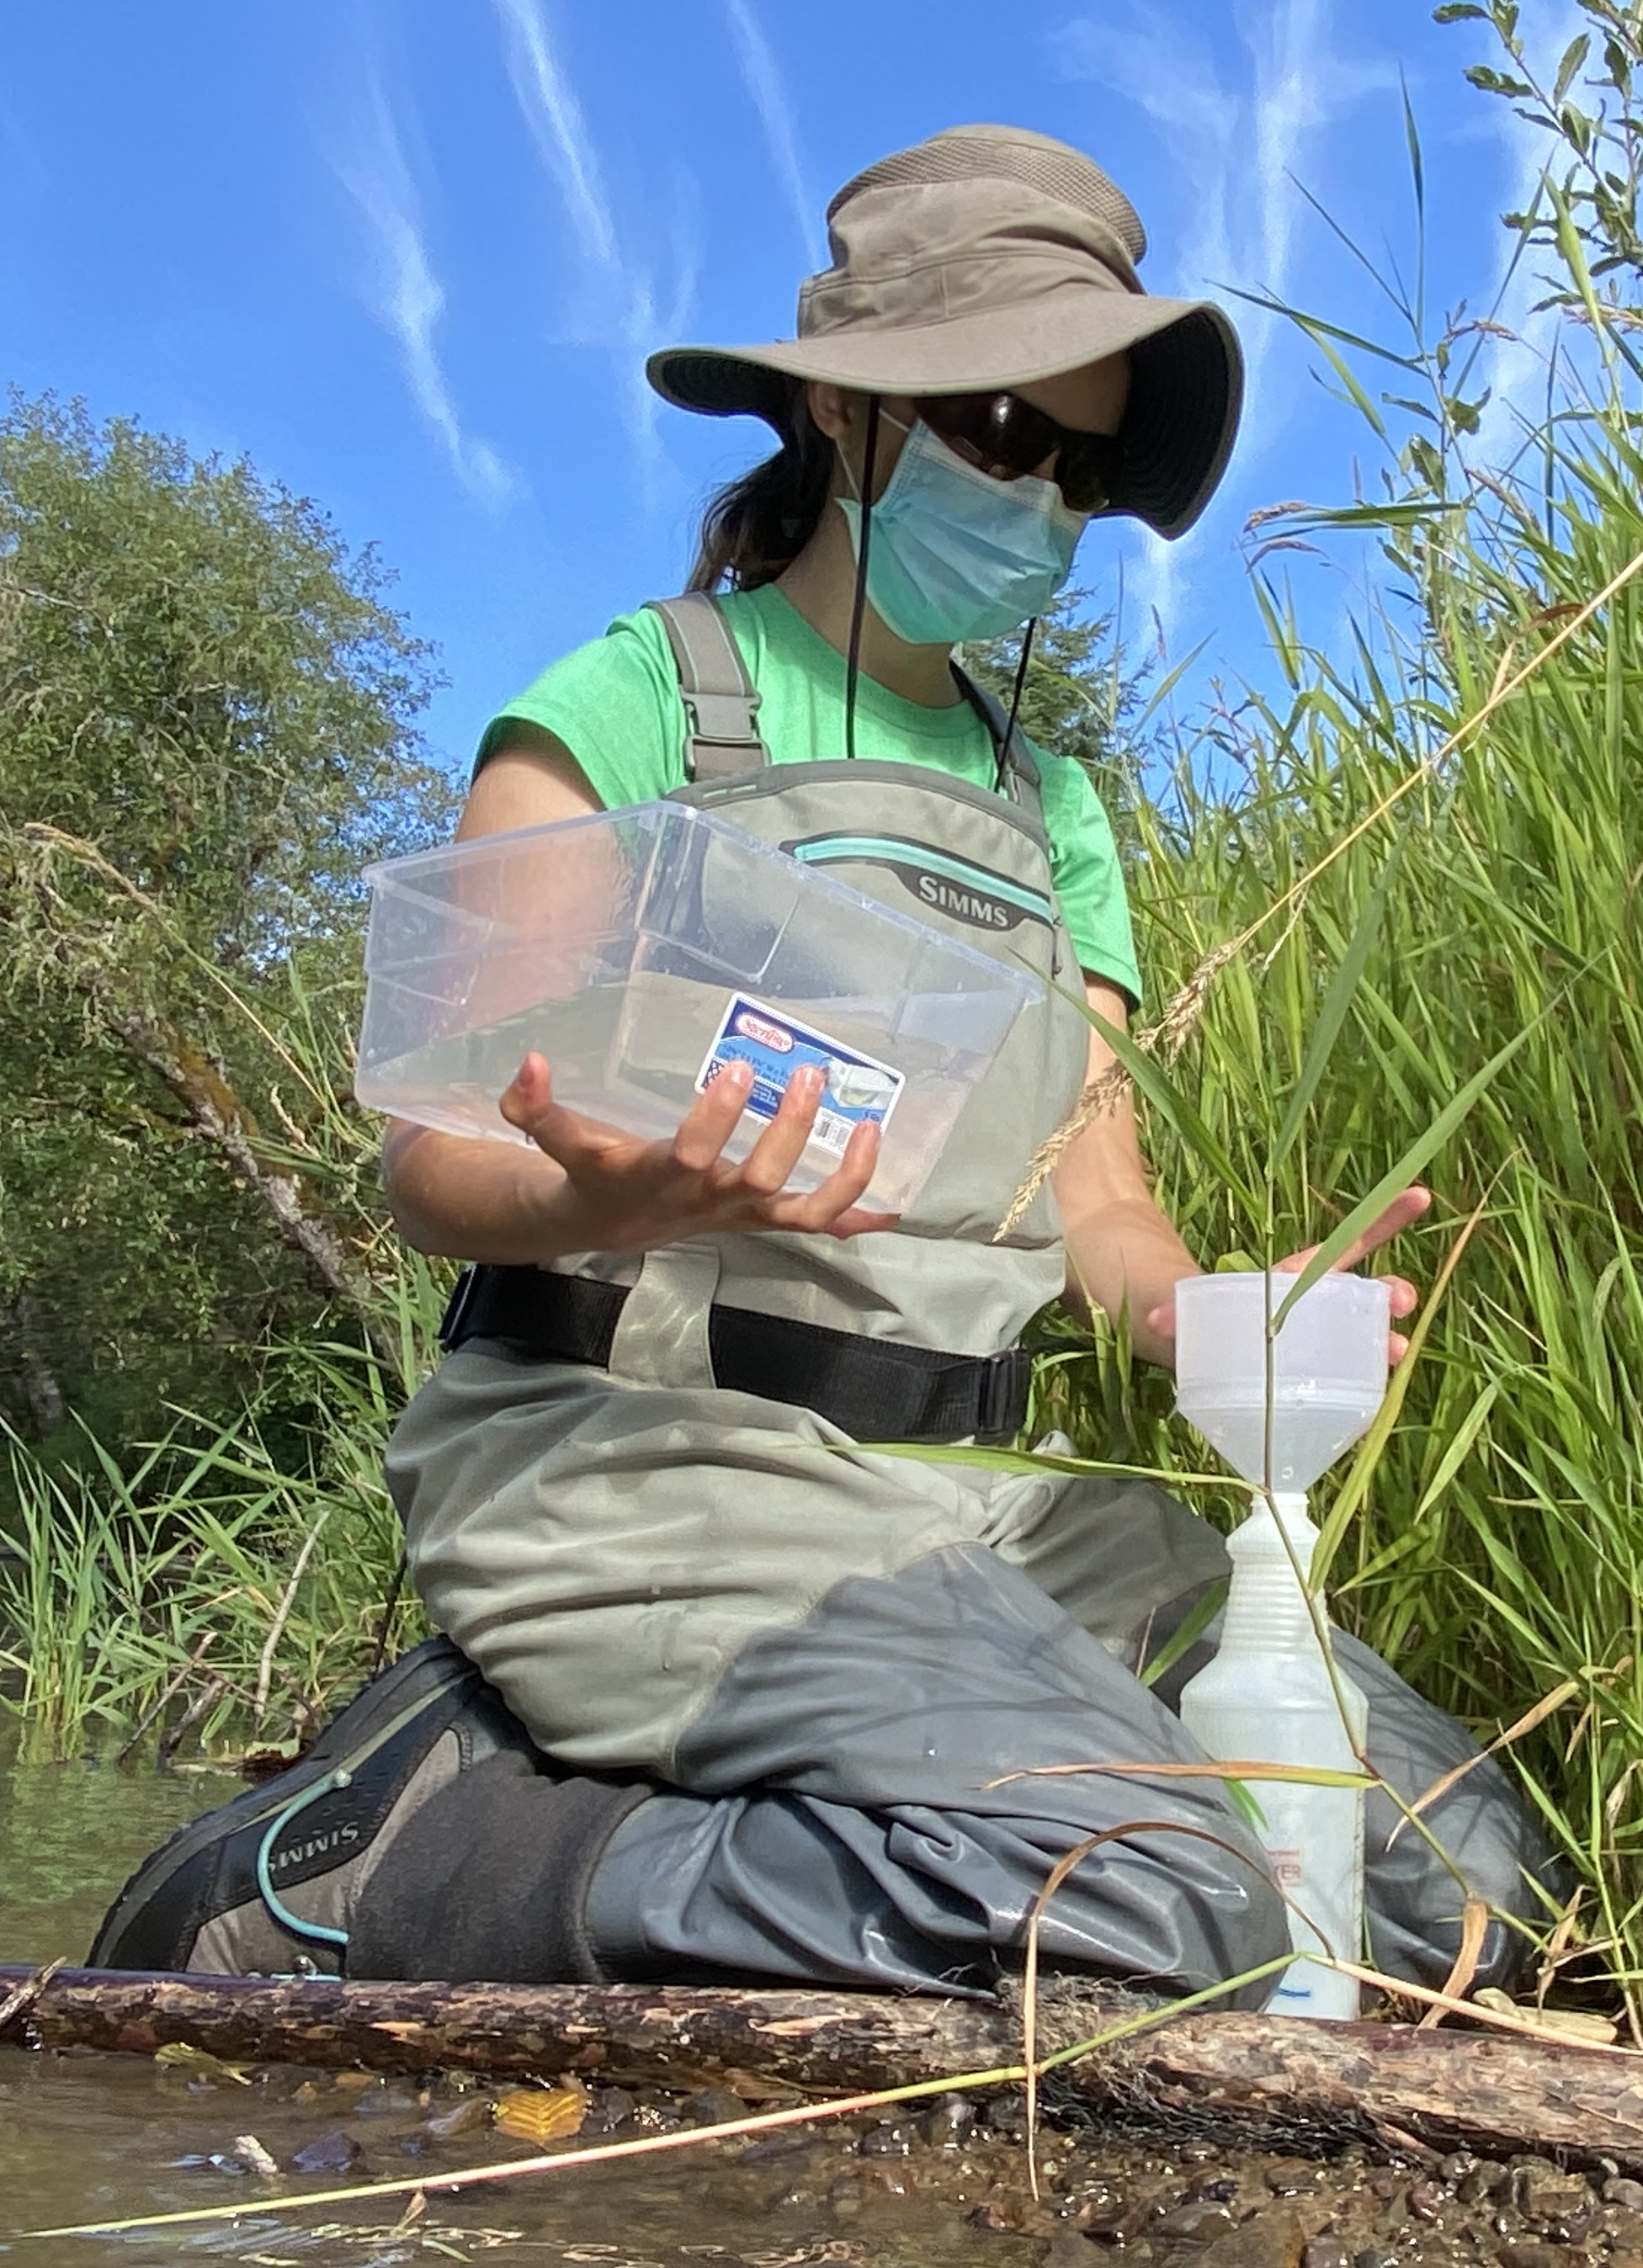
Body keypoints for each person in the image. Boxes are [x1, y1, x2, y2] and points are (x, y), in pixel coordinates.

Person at [92, 125, 1560, 2000]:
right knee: (1161, 1904)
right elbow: (427, 1170)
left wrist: (1213, 1325)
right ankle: (421, 1861)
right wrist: (589, 1194)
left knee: (1463, 1885)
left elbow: (1099, 1209)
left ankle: (798, 1811)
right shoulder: (629, 707)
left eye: (1086, 468)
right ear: (850, 423)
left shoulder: (1063, 817)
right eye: (1012, 435)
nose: (1044, 507)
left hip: (974, 1504)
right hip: (639, 1469)